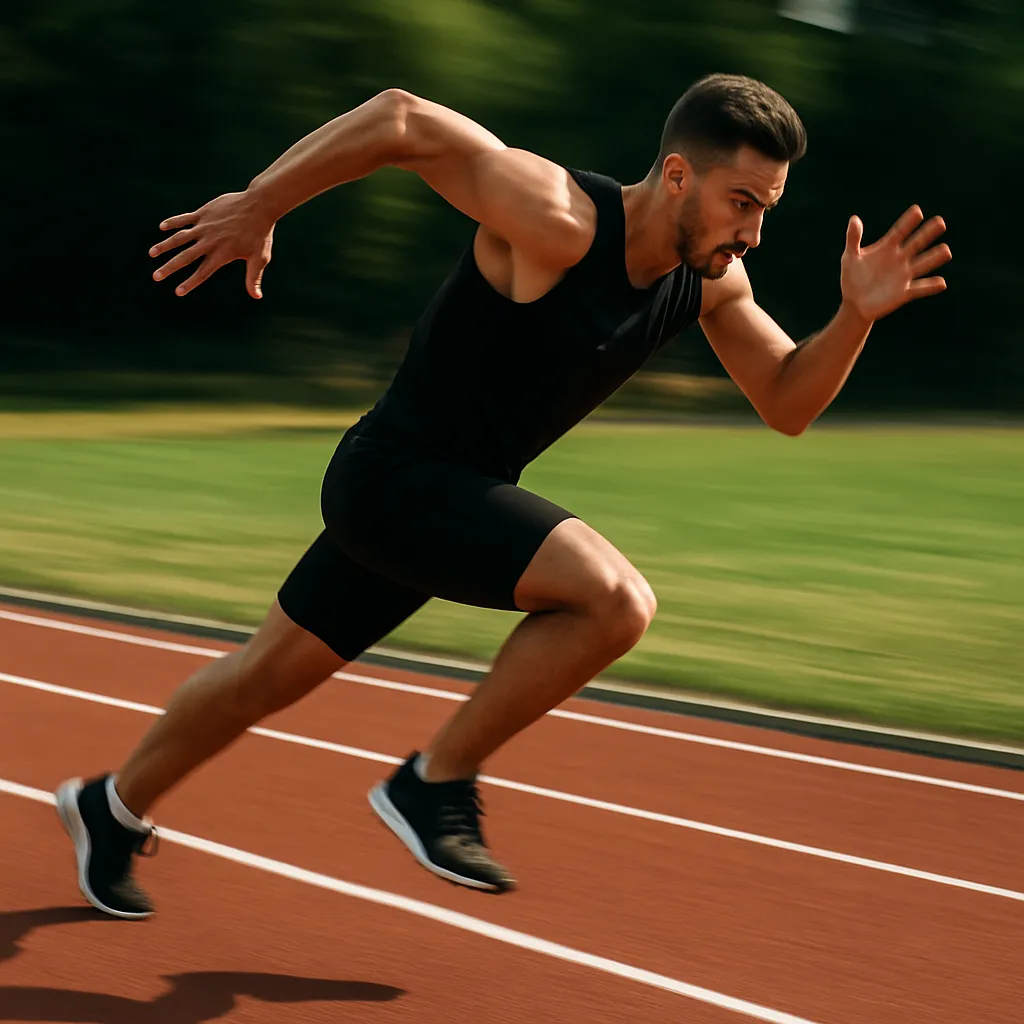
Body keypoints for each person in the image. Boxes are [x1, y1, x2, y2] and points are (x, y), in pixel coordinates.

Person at [54, 74, 950, 917]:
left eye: (767, 210)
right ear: (679, 175)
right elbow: (403, 118)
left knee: (263, 678)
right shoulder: (557, 217)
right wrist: (261, 204)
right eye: (742, 202)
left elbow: (788, 400)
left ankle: (111, 807)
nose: (752, 231)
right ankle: (434, 781)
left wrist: (854, 319)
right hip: (395, 478)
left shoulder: (709, 283)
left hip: (442, 500)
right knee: (613, 602)